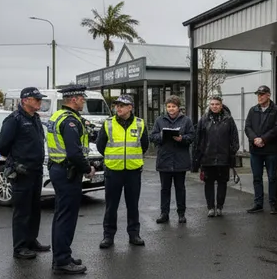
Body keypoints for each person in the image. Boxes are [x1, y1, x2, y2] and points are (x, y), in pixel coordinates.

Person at [0, 86, 49, 260]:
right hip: (22, 171)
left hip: (36, 170)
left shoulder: (35, 118)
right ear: (25, 100)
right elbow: (2, 146)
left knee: (34, 209)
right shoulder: (14, 120)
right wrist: (16, 161)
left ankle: (31, 240)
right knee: (22, 211)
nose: (40, 101)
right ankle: (19, 247)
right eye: (36, 99)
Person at [46, 84, 94, 276]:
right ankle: (62, 261)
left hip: (59, 169)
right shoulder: (70, 121)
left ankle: (62, 255)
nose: (84, 101)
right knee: (66, 217)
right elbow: (74, 153)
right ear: (73, 99)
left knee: (60, 215)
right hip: (68, 172)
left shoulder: (58, 115)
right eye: (82, 98)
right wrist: (87, 168)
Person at [96, 95, 148, 249]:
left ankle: (134, 234)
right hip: (113, 170)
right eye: (117, 105)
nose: (118, 108)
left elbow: (144, 145)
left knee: (133, 205)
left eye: (122, 105)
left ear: (130, 107)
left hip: (133, 171)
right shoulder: (108, 124)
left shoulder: (139, 124)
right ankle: (108, 236)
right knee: (111, 206)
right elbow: (100, 146)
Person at [193, 95, 239, 217]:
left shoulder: (228, 119)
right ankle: (210, 208)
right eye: (212, 104)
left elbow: (234, 138)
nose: (214, 106)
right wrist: (198, 156)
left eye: (217, 104)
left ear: (221, 105)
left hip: (224, 158)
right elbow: (198, 139)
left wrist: (232, 152)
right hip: (207, 158)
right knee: (208, 183)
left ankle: (219, 207)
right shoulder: (203, 120)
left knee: (222, 183)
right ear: (209, 105)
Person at [150, 95, 194, 224]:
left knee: (180, 188)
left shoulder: (186, 120)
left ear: (178, 107)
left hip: (180, 160)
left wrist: (182, 139)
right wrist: (162, 136)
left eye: (173, 106)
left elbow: (192, 136)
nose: (171, 109)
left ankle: (181, 213)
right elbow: (153, 136)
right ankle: (164, 213)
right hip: (165, 160)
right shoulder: (159, 120)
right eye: (169, 107)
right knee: (165, 189)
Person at [244, 85, 277, 214]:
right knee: (256, 178)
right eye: (258, 95)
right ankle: (258, 204)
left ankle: (273, 204)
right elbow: (248, 127)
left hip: (270, 150)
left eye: (262, 94)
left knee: (272, 178)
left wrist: (264, 139)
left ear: (268, 95)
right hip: (256, 150)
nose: (259, 97)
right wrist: (255, 139)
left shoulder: (276, 110)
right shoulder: (253, 110)